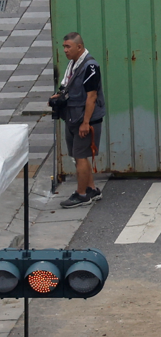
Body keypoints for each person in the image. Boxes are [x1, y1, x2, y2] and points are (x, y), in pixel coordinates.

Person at [55, 32, 104, 208]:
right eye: (64, 47)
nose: (65, 50)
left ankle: (81, 194)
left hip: (84, 120)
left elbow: (92, 97)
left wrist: (86, 123)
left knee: (81, 156)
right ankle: (91, 189)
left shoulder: (90, 67)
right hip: (72, 117)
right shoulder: (73, 65)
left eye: (68, 47)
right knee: (79, 156)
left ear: (79, 47)